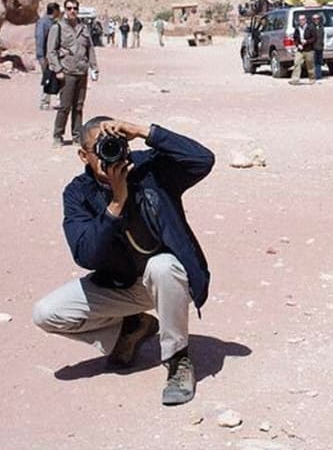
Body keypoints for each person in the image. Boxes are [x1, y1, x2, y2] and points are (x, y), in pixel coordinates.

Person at [32, 117, 214, 405]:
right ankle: (133, 327)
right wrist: (115, 204)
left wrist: (144, 131)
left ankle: (177, 358)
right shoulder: (78, 193)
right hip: (118, 286)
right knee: (45, 313)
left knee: (162, 266)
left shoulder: (149, 169)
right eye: (100, 148)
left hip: (168, 282)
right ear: (83, 155)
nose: (111, 152)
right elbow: (86, 255)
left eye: (116, 144)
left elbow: (202, 160)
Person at [47, 0, 99, 147]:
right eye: (69, 8)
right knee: (65, 106)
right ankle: (58, 135)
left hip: (82, 72)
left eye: (75, 8)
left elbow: (90, 49)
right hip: (67, 72)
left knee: (79, 106)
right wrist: (57, 69)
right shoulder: (58, 28)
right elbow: (51, 51)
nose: (72, 11)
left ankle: (77, 136)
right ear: (65, 10)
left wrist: (94, 67)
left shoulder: (84, 28)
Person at [34, 2, 61, 110]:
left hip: (54, 55)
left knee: (58, 77)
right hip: (46, 56)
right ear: (55, 11)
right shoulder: (43, 23)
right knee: (48, 78)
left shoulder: (54, 22)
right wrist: (41, 57)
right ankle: (44, 101)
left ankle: (60, 100)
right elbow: (40, 39)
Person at [289, 13, 319, 84]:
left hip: (309, 49)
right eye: (300, 20)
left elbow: (314, 38)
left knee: (310, 65)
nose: (301, 21)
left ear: (305, 20)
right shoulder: (297, 28)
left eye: (302, 20)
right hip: (300, 49)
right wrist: (297, 45)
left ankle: (312, 79)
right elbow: (295, 38)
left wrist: (307, 41)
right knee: (296, 63)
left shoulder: (311, 27)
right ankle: (295, 79)